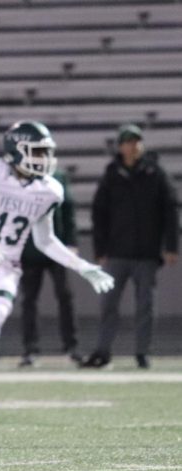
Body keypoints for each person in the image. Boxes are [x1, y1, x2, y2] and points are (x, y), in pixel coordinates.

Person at [0, 121, 114, 417]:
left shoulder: (49, 190)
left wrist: (83, 267)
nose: (43, 158)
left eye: (46, 151)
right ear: (15, 151)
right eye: (36, 151)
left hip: (6, 265)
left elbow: (46, 241)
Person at [83, 124, 179, 369]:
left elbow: (170, 210)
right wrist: (100, 248)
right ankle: (103, 350)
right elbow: (99, 212)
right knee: (108, 304)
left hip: (146, 253)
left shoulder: (155, 173)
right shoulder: (112, 174)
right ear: (120, 146)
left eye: (136, 141)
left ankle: (142, 352)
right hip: (116, 252)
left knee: (145, 305)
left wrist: (171, 246)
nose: (133, 146)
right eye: (128, 141)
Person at [17, 167, 80, 367]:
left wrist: (71, 243)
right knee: (29, 300)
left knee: (65, 296)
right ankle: (30, 348)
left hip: (55, 247)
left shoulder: (57, 177)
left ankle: (71, 346)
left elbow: (68, 211)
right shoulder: (18, 177)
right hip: (29, 249)